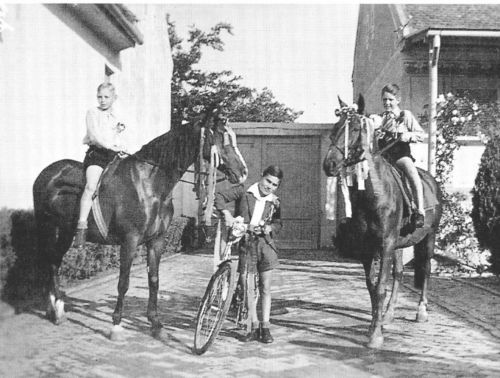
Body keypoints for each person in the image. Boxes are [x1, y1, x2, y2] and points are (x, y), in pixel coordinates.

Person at [214, 165, 283, 344]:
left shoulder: (275, 201)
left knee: (266, 288)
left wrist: (270, 228)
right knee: (248, 288)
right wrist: (227, 215)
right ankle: (252, 325)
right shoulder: (244, 191)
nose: (269, 186)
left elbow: (278, 223)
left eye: (274, 184)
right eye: (268, 181)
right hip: (247, 245)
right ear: (261, 176)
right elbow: (219, 195)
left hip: (266, 247)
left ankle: (265, 327)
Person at [73, 82, 129, 247]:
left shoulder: (117, 117)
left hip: (113, 155)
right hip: (97, 155)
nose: (103, 100)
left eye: (106, 97)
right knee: (91, 187)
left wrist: (121, 147)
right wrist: (111, 146)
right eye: (100, 97)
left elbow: (118, 137)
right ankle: (81, 227)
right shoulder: (92, 112)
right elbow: (95, 136)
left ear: (114, 98)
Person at [376, 83, 426, 227]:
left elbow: (421, 135)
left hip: (400, 156)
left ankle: (419, 211)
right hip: (383, 158)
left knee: (411, 172)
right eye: (384, 100)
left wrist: (407, 135)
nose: (387, 103)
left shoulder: (405, 116)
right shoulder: (379, 118)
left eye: (390, 99)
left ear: (398, 100)